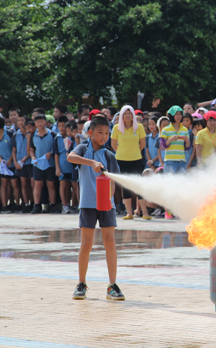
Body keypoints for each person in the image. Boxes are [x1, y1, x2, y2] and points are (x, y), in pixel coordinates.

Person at [67, 116, 124, 301]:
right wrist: (91, 163)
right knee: (86, 244)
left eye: (107, 133)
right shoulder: (83, 149)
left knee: (110, 243)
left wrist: (108, 199)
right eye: (100, 132)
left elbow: (114, 181)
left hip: (107, 206)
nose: (104, 137)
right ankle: (81, 284)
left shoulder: (109, 155)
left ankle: (112, 285)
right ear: (90, 133)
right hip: (87, 204)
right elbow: (70, 157)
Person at [110, 105, 149, 220]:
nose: (127, 116)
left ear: (133, 115)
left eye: (129, 113)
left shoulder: (139, 127)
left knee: (138, 185)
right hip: (121, 160)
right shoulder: (117, 128)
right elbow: (113, 145)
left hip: (136, 159)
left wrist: (134, 152)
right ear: (121, 116)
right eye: (125, 114)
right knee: (125, 186)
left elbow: (142, 144)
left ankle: (145, 213)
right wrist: (121, 152)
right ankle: (129, 213)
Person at [30, 114, 58, 214]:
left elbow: (56, 148)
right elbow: (31, 149)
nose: (40, 123)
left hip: (50, 164)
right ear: (35, 123)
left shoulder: (52, 134)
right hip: (38, 164)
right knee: (37, 184)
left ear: (46, 122)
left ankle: (53, 205)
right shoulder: (34, 135)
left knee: (51, 184)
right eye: (38, 122)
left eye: (42, 121)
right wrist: (33, 157)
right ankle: (37, 205)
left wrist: (50, 153)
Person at [0, 116, 18, 214]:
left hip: (11, 163)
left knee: (14, 184)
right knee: (4, 184)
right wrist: (0, 159)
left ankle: (16, 204)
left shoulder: (10, 134)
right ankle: (4, 206)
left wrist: (10, 159)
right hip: (2, 164)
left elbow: (15, 148)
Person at [11, 115, 34, 213]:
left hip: (29, 162)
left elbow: (31, 151)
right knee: (23, 184)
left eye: (22, 120)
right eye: (18, 120)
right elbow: (14, 150)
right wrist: (15, 162)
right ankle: (26, 203)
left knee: (32, 184)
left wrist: (24, 159)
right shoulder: (16, 135)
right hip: (19, 163)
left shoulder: (31, 134)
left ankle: (33, 202)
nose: (20, 122)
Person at [54, 116, 75, 214]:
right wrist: (57, 168)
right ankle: (64, 205)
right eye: (59, 126)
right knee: (63, 184)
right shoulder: (57, 138)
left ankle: (73, 204)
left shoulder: (72, 138)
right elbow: (56, 154)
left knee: (72, 185)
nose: (61, 128)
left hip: (71, 165)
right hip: (62, 164)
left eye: (63, 126)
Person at [160, 106, 190, 174]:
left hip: (182, 161)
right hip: (170, 161)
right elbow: (162, 146)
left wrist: (187, 141)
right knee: (169, 183)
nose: (179, 116)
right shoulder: (165, 130)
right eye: (176, 114)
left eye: (180, 114)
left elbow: (187, 147)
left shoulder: (185, 130)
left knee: (182, 183)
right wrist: (170, 140)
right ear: (172, 115)